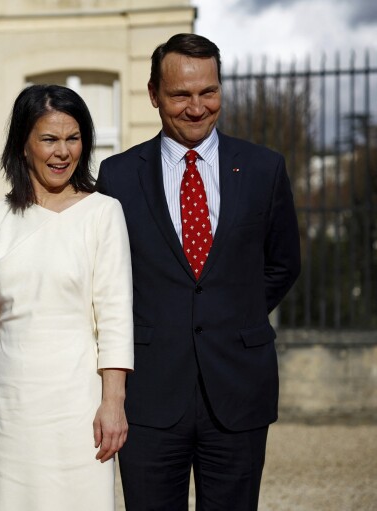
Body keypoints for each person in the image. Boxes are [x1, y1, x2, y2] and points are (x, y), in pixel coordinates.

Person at [96, 33, 301, 510]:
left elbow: (283, 263)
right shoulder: (117, 177)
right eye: (180, 94)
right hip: (148, 394)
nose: (196, 107)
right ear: (153, 95)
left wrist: (233, 316)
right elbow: (109, 278)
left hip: (238, 388)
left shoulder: (263, 168)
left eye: (208, 92)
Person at [0, 84, 134, 510]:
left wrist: (113, 403)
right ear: (23, 144)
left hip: (77, 407)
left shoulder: (103, 213)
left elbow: (114, 316)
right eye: (49, 139)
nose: (63, 152)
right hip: (7, 407)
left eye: (73, 139)